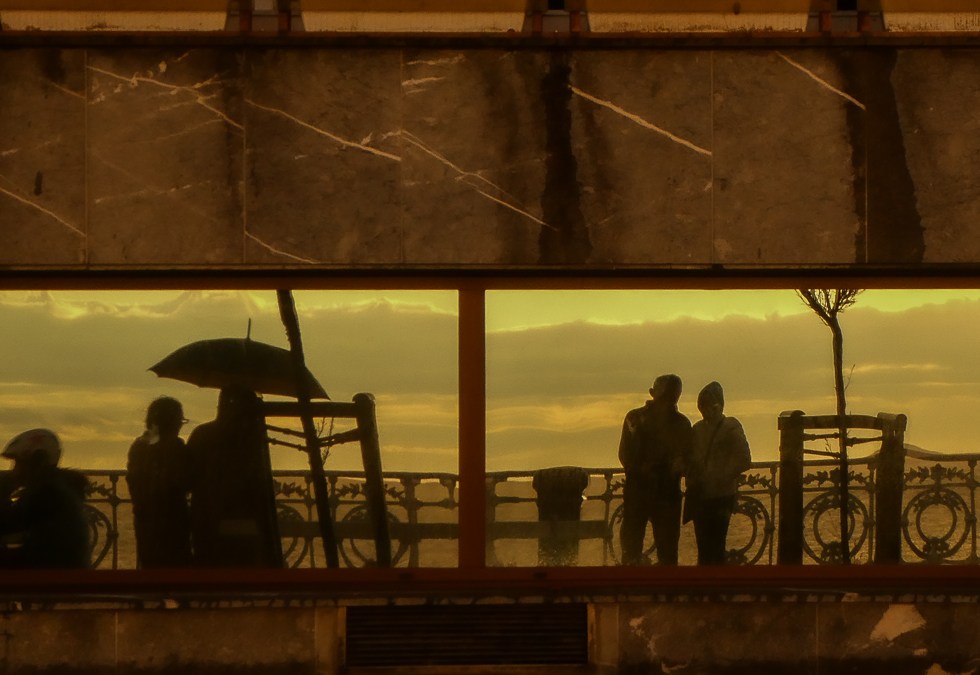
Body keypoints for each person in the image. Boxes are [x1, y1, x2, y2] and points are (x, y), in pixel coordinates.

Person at [187, 386, 282, 568]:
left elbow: (188, 476)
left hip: (208, 519)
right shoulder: (253, 438)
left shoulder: (203, 434)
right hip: (246, 519)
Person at [618, 374, 692, 565]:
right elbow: (627, 455)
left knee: (662, 553)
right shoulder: (636, 418)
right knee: (635, 550)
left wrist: (678, 465)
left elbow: (686, 457)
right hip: (644, 492)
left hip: (659, 493)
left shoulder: (679, 423)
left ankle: (648, 586)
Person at [0, 428, 91, 569]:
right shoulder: (59, 487)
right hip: (63, 571)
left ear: (37, 462)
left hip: (48, 576)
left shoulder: (46, 493)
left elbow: (6, 524)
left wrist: (3, 489)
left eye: (19, 463)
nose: (14, 470)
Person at [683, 381, 752, 566]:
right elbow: (690, 458)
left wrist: (720, 476)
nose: (705, 410)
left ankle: (712, 583)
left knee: (715, 544)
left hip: (720, 495)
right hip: (703, 495)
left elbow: (744, 458)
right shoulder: (697, 429)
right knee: (705, 546)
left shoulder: (729, 426)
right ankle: (708, 583)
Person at [126, 396, 192, 568]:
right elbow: (184, 481)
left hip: (144, 519)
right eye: (180, 421)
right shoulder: (175, 449)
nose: (179, 426)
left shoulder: (139, 447)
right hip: (173, 521)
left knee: (150, 568)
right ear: (172, 423)